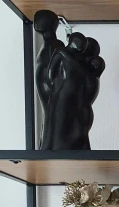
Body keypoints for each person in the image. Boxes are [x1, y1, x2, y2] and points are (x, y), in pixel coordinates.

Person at [34, 10, 105, 150]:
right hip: (62, 99)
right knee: (62, 127)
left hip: (65, 100)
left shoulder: (63, 55)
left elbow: (51, 71)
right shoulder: (60, 51)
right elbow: (50, 72)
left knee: (64, 129)